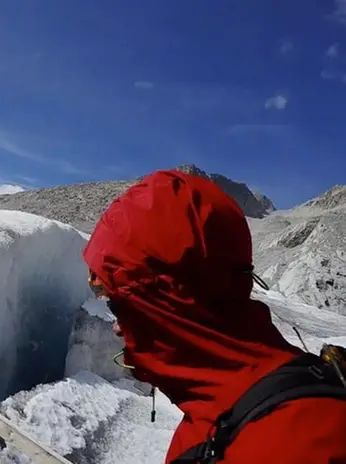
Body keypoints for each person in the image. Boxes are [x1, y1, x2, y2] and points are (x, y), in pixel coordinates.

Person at [82, 169, 346, 463]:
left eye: (115, 302)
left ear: (166, 305)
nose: (116, 326)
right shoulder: (224, 407)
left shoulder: (290, 445)